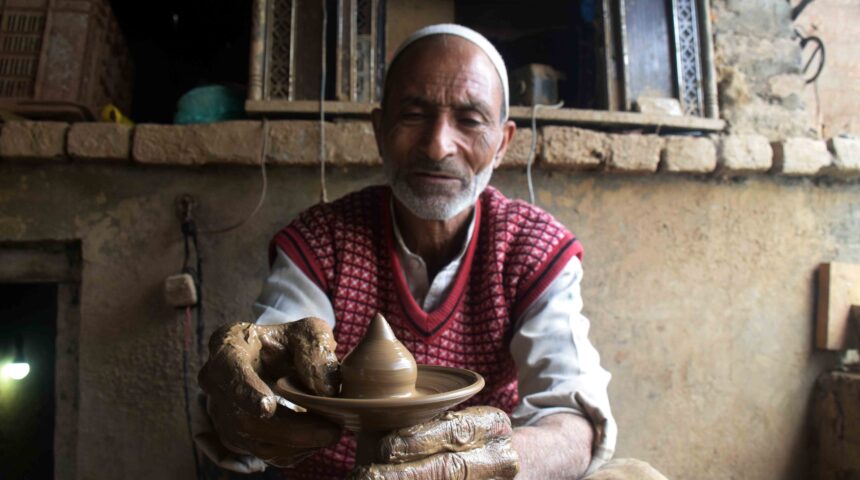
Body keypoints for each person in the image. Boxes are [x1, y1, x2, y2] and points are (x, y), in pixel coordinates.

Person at [197, 24, 667, 480]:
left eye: (469, 120)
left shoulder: (530, 248)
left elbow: (570, 417)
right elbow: (263, 370)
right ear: (380, 129)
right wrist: (243, 406)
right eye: (415, 114)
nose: (438, 145)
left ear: (503, 142)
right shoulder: (323, 241)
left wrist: (475, 465)